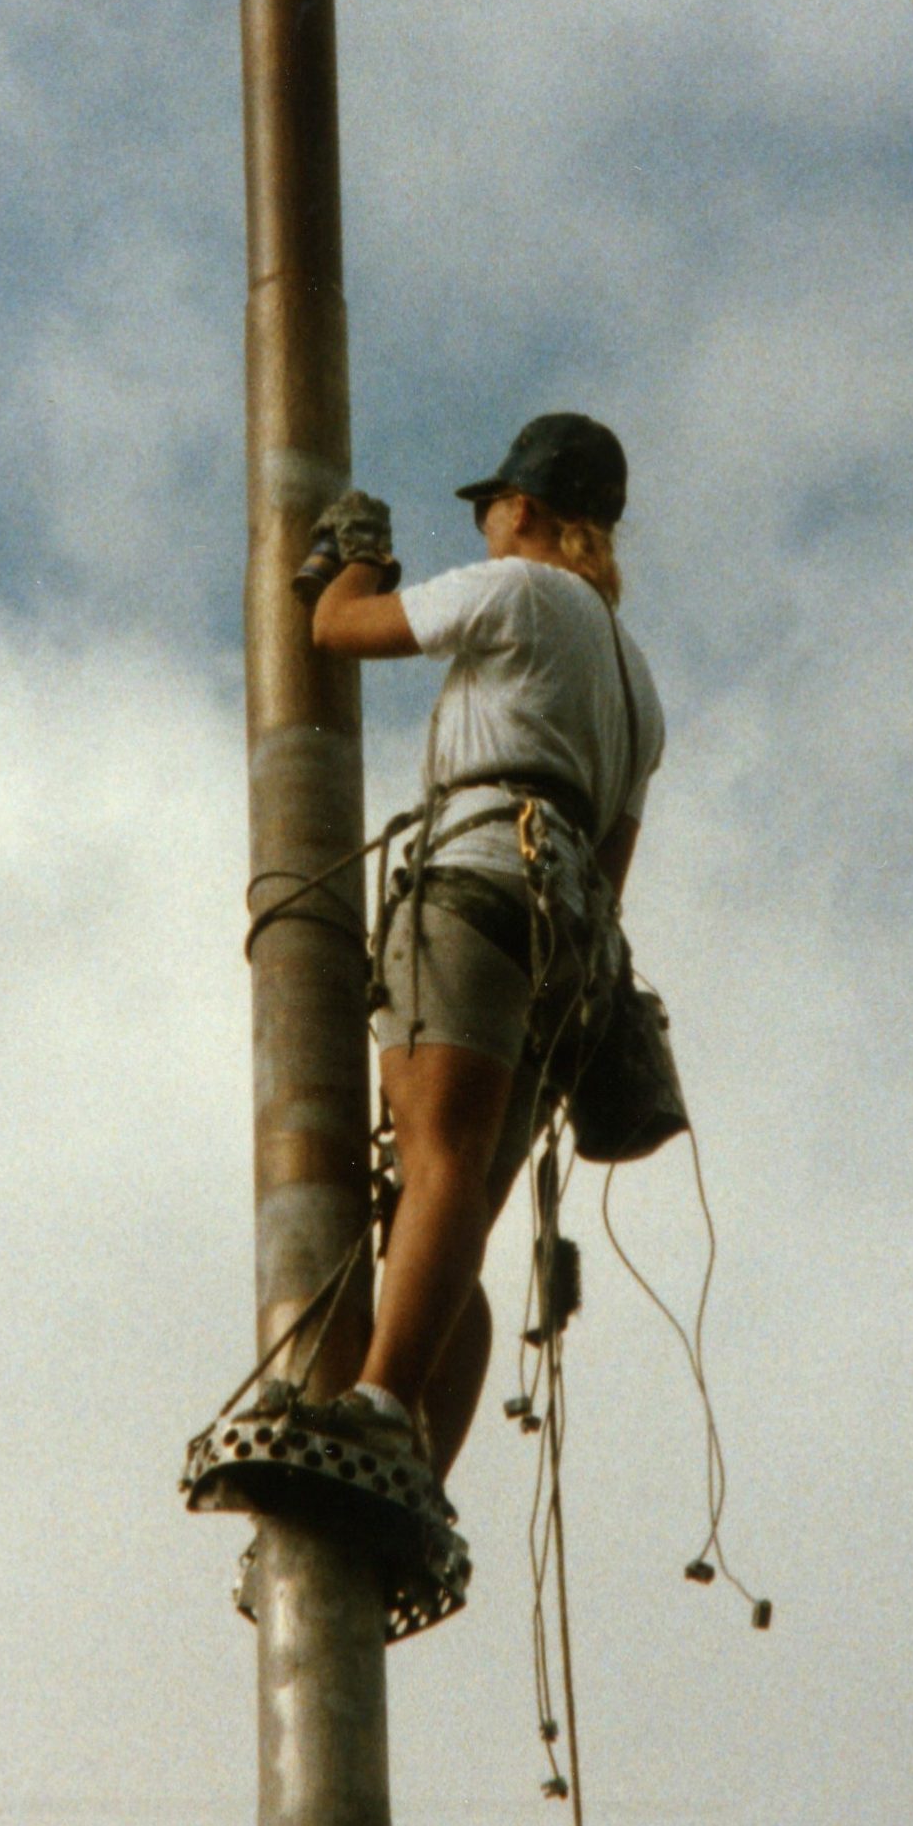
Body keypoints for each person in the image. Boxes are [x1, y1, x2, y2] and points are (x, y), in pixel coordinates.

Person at [307, 411, 664, 1489]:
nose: (485, 524)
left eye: (492, 507)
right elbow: (612, 870)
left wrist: (355, 557)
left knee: (438, 1169)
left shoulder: (515, 590)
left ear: (528, 510)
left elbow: (339, 628)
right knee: (455, 1202)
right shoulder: (636, 685)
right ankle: (419, 1475)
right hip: (568, 949)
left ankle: (376, 1407)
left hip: (478, 881)